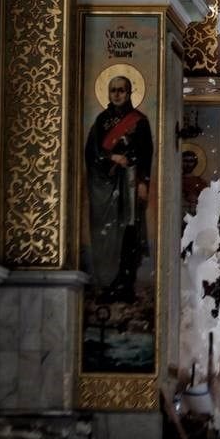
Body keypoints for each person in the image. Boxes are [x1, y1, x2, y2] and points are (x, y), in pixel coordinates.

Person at [85, 75, 154, 303]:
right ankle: (108, 283)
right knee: (109, 233)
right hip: (107, 187)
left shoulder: (140, 121)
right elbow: (91, 152)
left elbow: (146, 154)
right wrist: (112, 157)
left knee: (130, 231)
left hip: (131, 184)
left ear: (129, 93)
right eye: (113, 90)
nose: (116, 94)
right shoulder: (101, 121)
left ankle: (126, 284)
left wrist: (143, 182)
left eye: (121, 90)